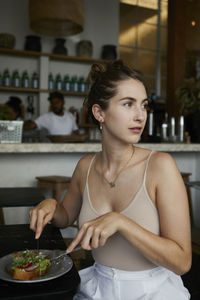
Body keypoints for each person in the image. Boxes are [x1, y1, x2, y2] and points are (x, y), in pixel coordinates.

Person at [29, 60, 191, 300]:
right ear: (99, 113)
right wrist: (52, 205)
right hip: (97, 290)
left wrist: (121, 223)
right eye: (128, 104)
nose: (140, 115)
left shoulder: (160, 166)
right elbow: (65, 218)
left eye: (143, 105)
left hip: (154, 292)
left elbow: (182, 262)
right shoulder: (86, 166)